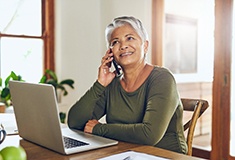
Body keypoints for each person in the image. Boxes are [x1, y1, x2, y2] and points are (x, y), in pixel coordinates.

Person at [68, 16, 188, 154]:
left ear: (145, 45)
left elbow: (149, 134)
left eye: (130, 38)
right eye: (115, 42)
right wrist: (100, 84)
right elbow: (75, 122)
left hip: (163, 155)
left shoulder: (162, 78)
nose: (123, 45)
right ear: (110, 52)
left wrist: (98, 129)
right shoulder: (112, 84)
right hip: (124, 153)